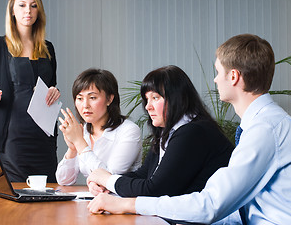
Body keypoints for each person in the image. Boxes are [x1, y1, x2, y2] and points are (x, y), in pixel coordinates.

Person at [87, 34, 291, 224]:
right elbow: (240, 205)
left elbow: (211, 204)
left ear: (233, 76)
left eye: (218, 72)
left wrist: (128, 204)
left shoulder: (265, 129)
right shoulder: (265, 123)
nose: (215, 80)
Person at [86, 65, 233, 198]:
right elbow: (144, 174)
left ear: (177, 98)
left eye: (155, 98)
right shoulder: (168, 131)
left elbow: (156, 189)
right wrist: (104, 184)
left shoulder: (194, 132)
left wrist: (106, 179)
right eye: (147, 99)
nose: (148, 106)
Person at [0, 0, 60, 182]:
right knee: (16, 195)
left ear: (39, 11)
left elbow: (53, 86)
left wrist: (54, 91)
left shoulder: (48, 48)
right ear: (12, 10)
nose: (28, 11)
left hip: (44, 135)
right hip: (13, 136)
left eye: (34, 6)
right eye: (22, 5)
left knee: (48, 194)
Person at [56, 68, 142, 186]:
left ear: (109, 99)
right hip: (91, 200)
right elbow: (64, 181)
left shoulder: (129, 131)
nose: (85, 105)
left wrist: (79, 142)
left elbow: (109, 177)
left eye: (92, 98)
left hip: (121, 200)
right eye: (80, 98)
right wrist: (72, 149)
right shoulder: (84, 131)